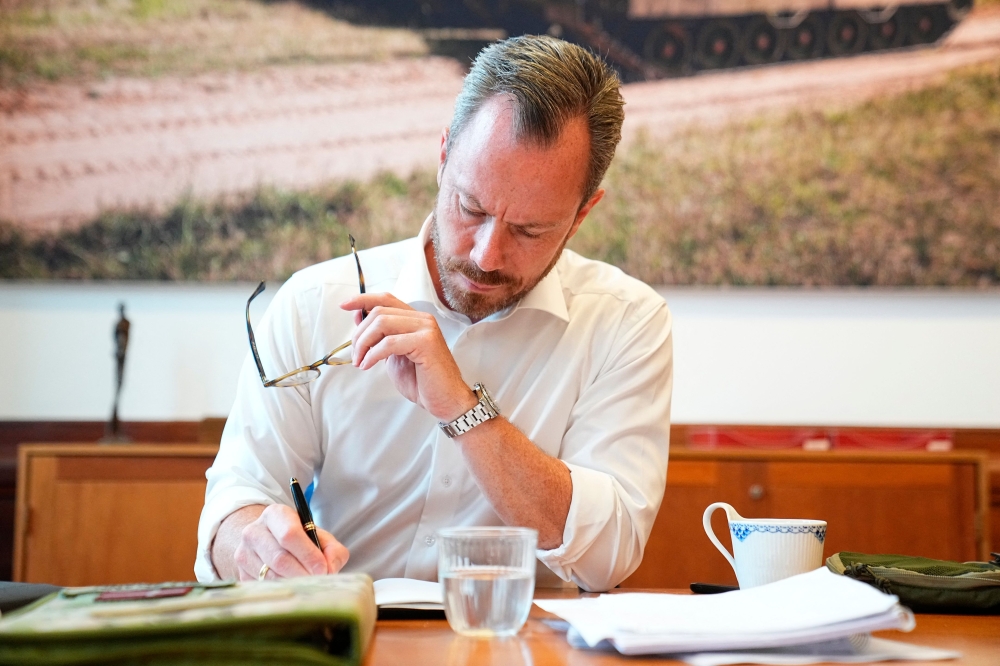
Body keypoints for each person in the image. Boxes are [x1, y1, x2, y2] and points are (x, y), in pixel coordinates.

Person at [196, 35, 673, 593]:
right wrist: (256, 545)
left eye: (529, 230)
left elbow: (607, 556)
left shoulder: (625, 323)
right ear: (443, 157)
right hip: (344, 637)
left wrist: (462, 409)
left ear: (582, 214)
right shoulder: (313, 305)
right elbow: (233, 505)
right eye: (471, 208)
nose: (485, 255)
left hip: (522, 646)